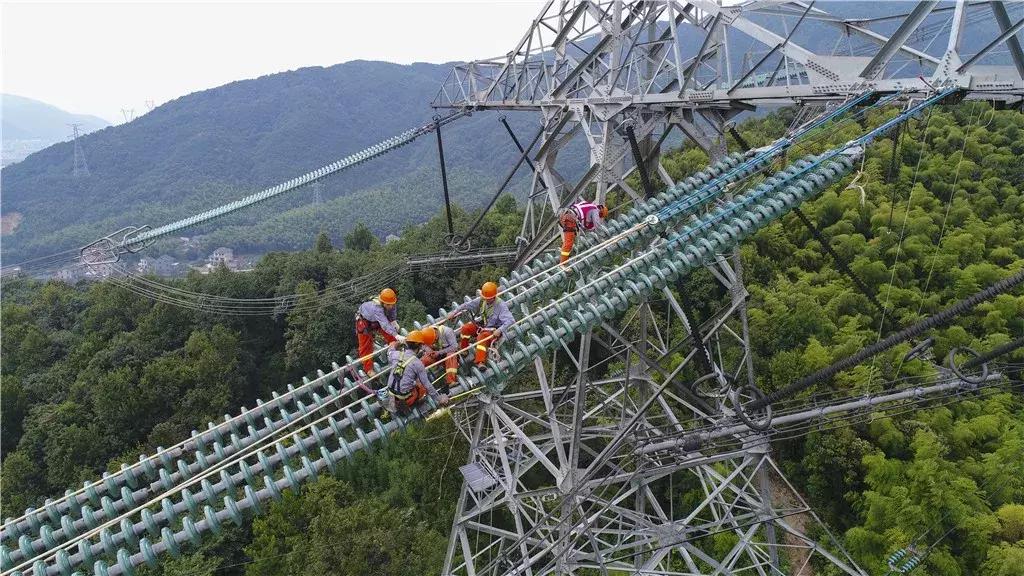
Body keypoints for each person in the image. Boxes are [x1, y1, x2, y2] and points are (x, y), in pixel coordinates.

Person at [449, 281, 515, 365]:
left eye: (489, 298)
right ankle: (464, 349)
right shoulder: (482, 300)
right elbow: (466, 305)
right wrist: (454, 312)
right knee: (466, 328)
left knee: (481, 337)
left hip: (493, 330)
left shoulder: (500, 306)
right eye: (485, 298)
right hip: (483, 325)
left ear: (494, 296)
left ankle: (480, 362)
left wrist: (499, 330)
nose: (487, 300)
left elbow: (510, 320)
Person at [386, 330, 448, 414]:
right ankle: (419, 404)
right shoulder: (417, 363)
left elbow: (390, 351)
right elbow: (427, 385)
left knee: (410, 381)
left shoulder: (395, 354)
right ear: (420, 345)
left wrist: (397, 343)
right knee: (421, 386)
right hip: (406, 400)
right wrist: (439, 399)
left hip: (390, 396)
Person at [354, 288, 402, 376]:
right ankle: (368, 369)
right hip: (364, 320)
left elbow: (392, 313)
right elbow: (384, 324)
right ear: (383, 303)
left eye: (392, 304)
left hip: (378, 320)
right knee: (366, 346)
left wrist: (393, 321)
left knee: (392, 337)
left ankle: (397, 352)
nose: (390, 306)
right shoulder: (377, 308)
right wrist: (396, 335)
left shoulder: (391, 303)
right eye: (388, 305)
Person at [559, 200, 608, 264]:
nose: (599, 217)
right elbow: (597, 226)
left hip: (565, 216)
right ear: (601, 212)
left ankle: (565, 256)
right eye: (600, 216)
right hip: (570, 219)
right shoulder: (595, 210)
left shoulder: (588, 206)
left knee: (570, 240)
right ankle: (563, 263)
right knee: (568, 243)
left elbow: (586, 223)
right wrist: (603, 240)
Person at [419, 325, 459, 394]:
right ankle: (418, 385)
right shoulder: (427, 334)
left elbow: (454, 347)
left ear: (436, 333)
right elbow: (423, 345)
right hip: (437, 355)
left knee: (450, 355)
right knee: (424, 360)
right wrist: (428, 350)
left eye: (434, 341)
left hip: (450, 355)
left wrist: (439, 352)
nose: (434, 343)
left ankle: (451, 381)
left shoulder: (447, 331)